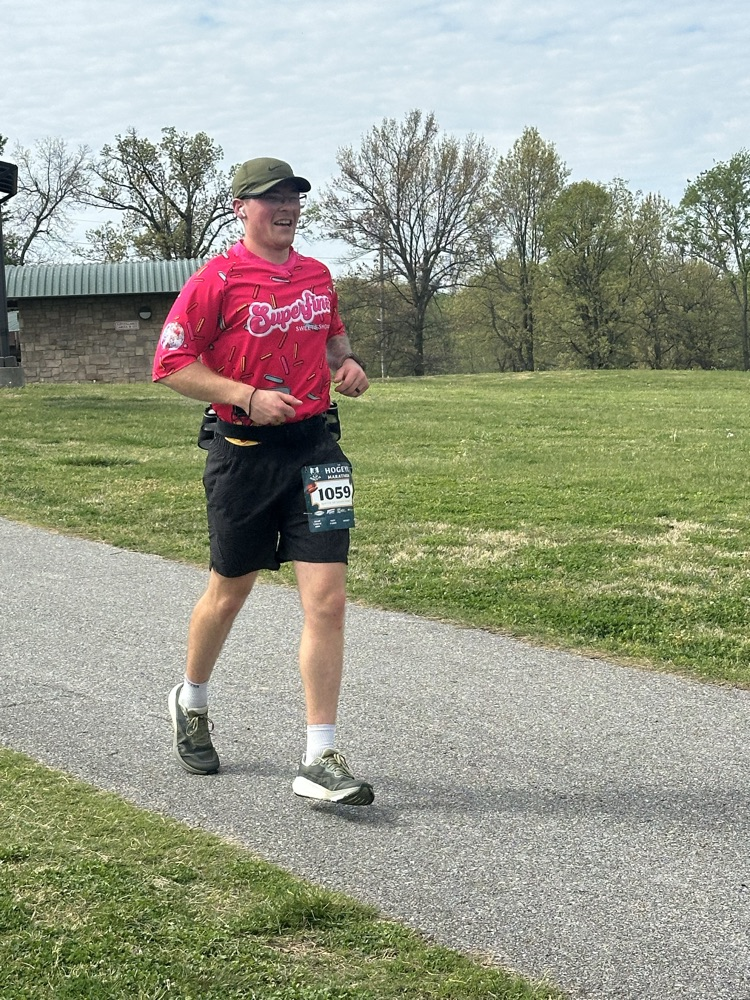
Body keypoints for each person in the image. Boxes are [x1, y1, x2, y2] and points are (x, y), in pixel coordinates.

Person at [152, 156, 373, 806]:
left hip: (319, 452)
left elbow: (331, 337)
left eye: (294, 197)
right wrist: (244, 394)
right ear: (240, 208)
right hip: (243, 455)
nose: (286, 206)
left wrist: (349, 363)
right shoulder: (215, 281)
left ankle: (320, 757)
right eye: (271, 197)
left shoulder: (316, 276)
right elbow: (169, 364)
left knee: (328, 599)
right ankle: (190, 700)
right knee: (230, 593)